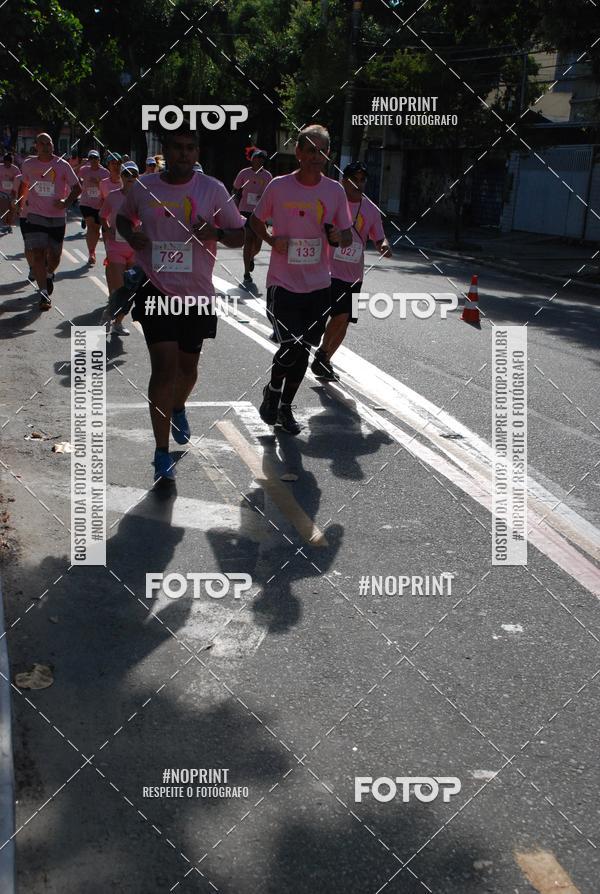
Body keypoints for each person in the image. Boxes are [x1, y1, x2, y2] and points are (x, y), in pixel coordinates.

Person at [116, 127, 245, 483]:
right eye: (177, 148)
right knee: (164, 369)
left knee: (188, 369)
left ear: (197, 152)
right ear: (166, 151)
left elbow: (240, 233)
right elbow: (123, 217)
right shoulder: (145, 187)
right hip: (156, 289)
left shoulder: (213, 189)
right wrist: (131, 234)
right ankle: (161, 453)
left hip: (197, 295)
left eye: (190, 148)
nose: (184, 154)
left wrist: (215, 233)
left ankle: (178, 406)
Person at [250, 124, 352, 435]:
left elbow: (347, 235)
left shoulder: (334, 191)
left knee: (303, 349)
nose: (316, 157)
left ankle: (283, 406)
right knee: (291, 344)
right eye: (310, 150)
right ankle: (274, 391)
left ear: (328, 155)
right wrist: (270, 240)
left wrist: (338, 235)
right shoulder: (278, 187)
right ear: (298, 152)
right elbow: (254, 221)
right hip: (283, 283)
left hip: (319, 285)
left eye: (322, 151)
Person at [312, 161, 392, 380]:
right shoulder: (331, 204)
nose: (358, 184)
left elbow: (378, 236)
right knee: (329, 316)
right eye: (353, 179)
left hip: (355, 276)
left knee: (344, 319)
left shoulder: (371, 209)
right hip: (328, 271)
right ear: (343, 181)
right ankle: (316, 351)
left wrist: (383, 245)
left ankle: (324, 358)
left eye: (362, 180)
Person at [20, 132, 81, 309]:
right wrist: (19, 203)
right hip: (35, 215)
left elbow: (77, 188)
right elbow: (24, 185)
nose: (46, 146)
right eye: (43, 143)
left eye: (49, 143)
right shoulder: (29, 164)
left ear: (53, 146)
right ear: (36, 146)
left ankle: (48, 274)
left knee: (54, 256)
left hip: (56, 217)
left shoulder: (62, 165)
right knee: (38, 254)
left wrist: (66, 202)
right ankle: (44, 293)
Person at [99, 160, 139, 337]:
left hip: (136, 248)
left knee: (131, 290)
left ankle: (118, 322)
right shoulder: (113, 196)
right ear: (121, 176)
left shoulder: (143, 197)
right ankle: (108, 315)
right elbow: (102, 216)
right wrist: (107, 229)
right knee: (119, 287)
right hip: (116, 246)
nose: (130, 177)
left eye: (134, 174)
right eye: (127, 174)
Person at [233, 148, 272, 288]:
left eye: (262, 160)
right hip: (245, 211)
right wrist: (235, 205)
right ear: (252, 159)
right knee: (248, 239)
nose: (259, 161)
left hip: (261, 212)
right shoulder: (244, 173)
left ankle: (251, 257)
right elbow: (236, 189)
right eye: (257, 159)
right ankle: (246, 273)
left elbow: (271, 196)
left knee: (258, 243)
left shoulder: (268, 176)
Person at [78, 149, 109, 264]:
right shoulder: (84, 170)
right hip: (86, 203)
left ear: (99, 159)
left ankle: (93, 250)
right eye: (91, 158)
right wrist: (81, 163)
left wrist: (98, 183)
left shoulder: (105, 172)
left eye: (95, 158)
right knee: (91, 227)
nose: (93, 161)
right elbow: (72, 173)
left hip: (100, 204)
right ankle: (91, 253)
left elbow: (108, 187)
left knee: (96, 229)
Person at [0, 152, 20, 233]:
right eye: (6, 163)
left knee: (11, 210)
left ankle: (9, 225)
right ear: (3, 162)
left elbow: (19, 179)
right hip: (2, 192)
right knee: (4, 209)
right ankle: (4, 225)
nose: (7, 165)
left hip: (12, 192)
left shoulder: (15, 169)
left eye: (9, 163)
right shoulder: (0, 167)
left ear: (11, 162)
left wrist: (14, 179)